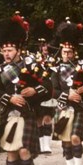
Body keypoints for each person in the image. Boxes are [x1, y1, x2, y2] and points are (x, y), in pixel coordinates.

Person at [0, 14, 52, 165]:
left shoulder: (31, 65)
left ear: (18, 49)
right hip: (9, 114)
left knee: (24, 149)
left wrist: (34, 90)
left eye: (10, 50)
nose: (7, 54)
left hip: (27, 113)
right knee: (11, 150)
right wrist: (8, 98)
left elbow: (48, 87)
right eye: (4, 50)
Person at [52, 19, 83, 165]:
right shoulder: (55, 69)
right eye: (64, 52)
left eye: (69, 52)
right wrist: (66, 95)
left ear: (74, 52)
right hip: (63, 107)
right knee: (66, 141)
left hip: (79, 107)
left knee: (75, 137)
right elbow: (53, 90)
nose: (66, 55)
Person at [31, 18, 57, 154]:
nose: (45, 48)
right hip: (37, 92)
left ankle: (47, 144)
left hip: (50, 91)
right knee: (39, 118)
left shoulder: (55, 60)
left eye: (47, 45)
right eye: (42, 45)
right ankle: (40, 144)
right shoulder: (33, 59)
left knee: (48, 116)